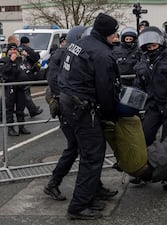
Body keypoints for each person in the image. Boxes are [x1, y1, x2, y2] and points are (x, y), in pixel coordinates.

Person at [44, 25, 118, 204]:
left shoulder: (75, 52)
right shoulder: (63, 54)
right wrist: (62, 102)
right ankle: (53, 183)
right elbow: (54, 81)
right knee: (77, 148)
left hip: (73, 106)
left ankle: (95, 186)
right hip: (68, 107)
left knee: (88, 151)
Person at [58, 13, 121, 220]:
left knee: (89, 152)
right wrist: (112, 114)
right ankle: (78, 206)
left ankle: (92, 193)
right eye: (114, 34)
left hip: (69, 102)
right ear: (106, 34)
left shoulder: (80, 43)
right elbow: (105, 89)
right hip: (83, 107)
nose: (116, 37)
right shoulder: (102, 54)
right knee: (92, 155)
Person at [134, 26, 167, 147]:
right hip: (152, 106)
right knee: (145, 136)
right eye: (149, 47)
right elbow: (138, 85)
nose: (151, 49)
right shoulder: (143, 62)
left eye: (154, 46)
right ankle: (149, 163)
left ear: (161, 44)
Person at [0, 43, 31, 136]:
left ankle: (21, 127)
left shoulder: (21, 59)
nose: (13, 51)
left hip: (20, 87)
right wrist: (10, 61)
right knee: (9, 108)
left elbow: (29, 69)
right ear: (8, 50)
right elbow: (4, 71)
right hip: (10, 87)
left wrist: (27, 57)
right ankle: (10, 128)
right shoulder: (4, 60)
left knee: (20, 108)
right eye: (11, 49)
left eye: (15, 49)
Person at [19, 36, 43, 118]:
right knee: (25, 92)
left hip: (19, 74)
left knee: (22, 93)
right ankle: (32, 110)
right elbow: (36, 57)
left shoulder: (17, 49)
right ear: (27, 42)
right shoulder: (27, 49)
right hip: (26, 73)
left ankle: (21, 111)